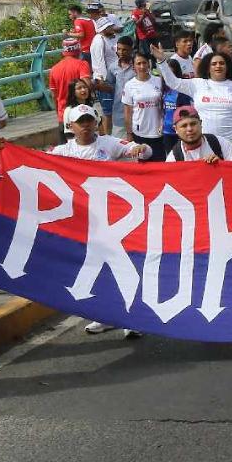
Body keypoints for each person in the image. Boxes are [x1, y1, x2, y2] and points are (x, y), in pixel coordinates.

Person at [52, 104, 151, 336]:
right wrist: (4, 150)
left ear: (96, 123)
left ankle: (131, 318)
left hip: (115, 217)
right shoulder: (63, 151)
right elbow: (33, 162)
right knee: (96, 269)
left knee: (122, 264)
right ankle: (106, 315)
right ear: (71, 126)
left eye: (89, 120)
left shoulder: (108, 143)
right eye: (81, 121)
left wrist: (141, 149)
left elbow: (142, 151)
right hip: (83, 221)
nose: (86, 125)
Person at [154, 48, 232, 158]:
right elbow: (173, 82)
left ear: (227, 67)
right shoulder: (197, 84)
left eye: (222, 63)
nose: (218, 66)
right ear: (208, 68)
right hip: (207, 144)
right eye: (214, 64)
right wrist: (161, 61)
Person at [121, 51, 167, 161]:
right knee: (143, 165)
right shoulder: (129, 85)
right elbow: (128, 112)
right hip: (140, 132)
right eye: (138, 63)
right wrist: (129, 133)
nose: (142, 66)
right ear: (133, 66)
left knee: (160, 164)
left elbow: (166, 105)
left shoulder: (159, 81)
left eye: (144, 63)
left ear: (149, 64)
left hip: (158, 132)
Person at [165, 104, 232, 162]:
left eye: (193, 124)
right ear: (176, 129)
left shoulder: (219, 143)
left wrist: (222, 164)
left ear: (201, 123)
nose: (189, 129)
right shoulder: (174, 158)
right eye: (184, 126)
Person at [89, 16, 121, 135]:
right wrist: (103, 81)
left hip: (116, 79)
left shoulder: (112, 38)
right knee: (107, 113)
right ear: (104, 28)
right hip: (105, 81)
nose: (112, 28)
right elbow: (99, 61)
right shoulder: (99, 40)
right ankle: (107, 136)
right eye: (109, 27)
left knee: (115, 110)